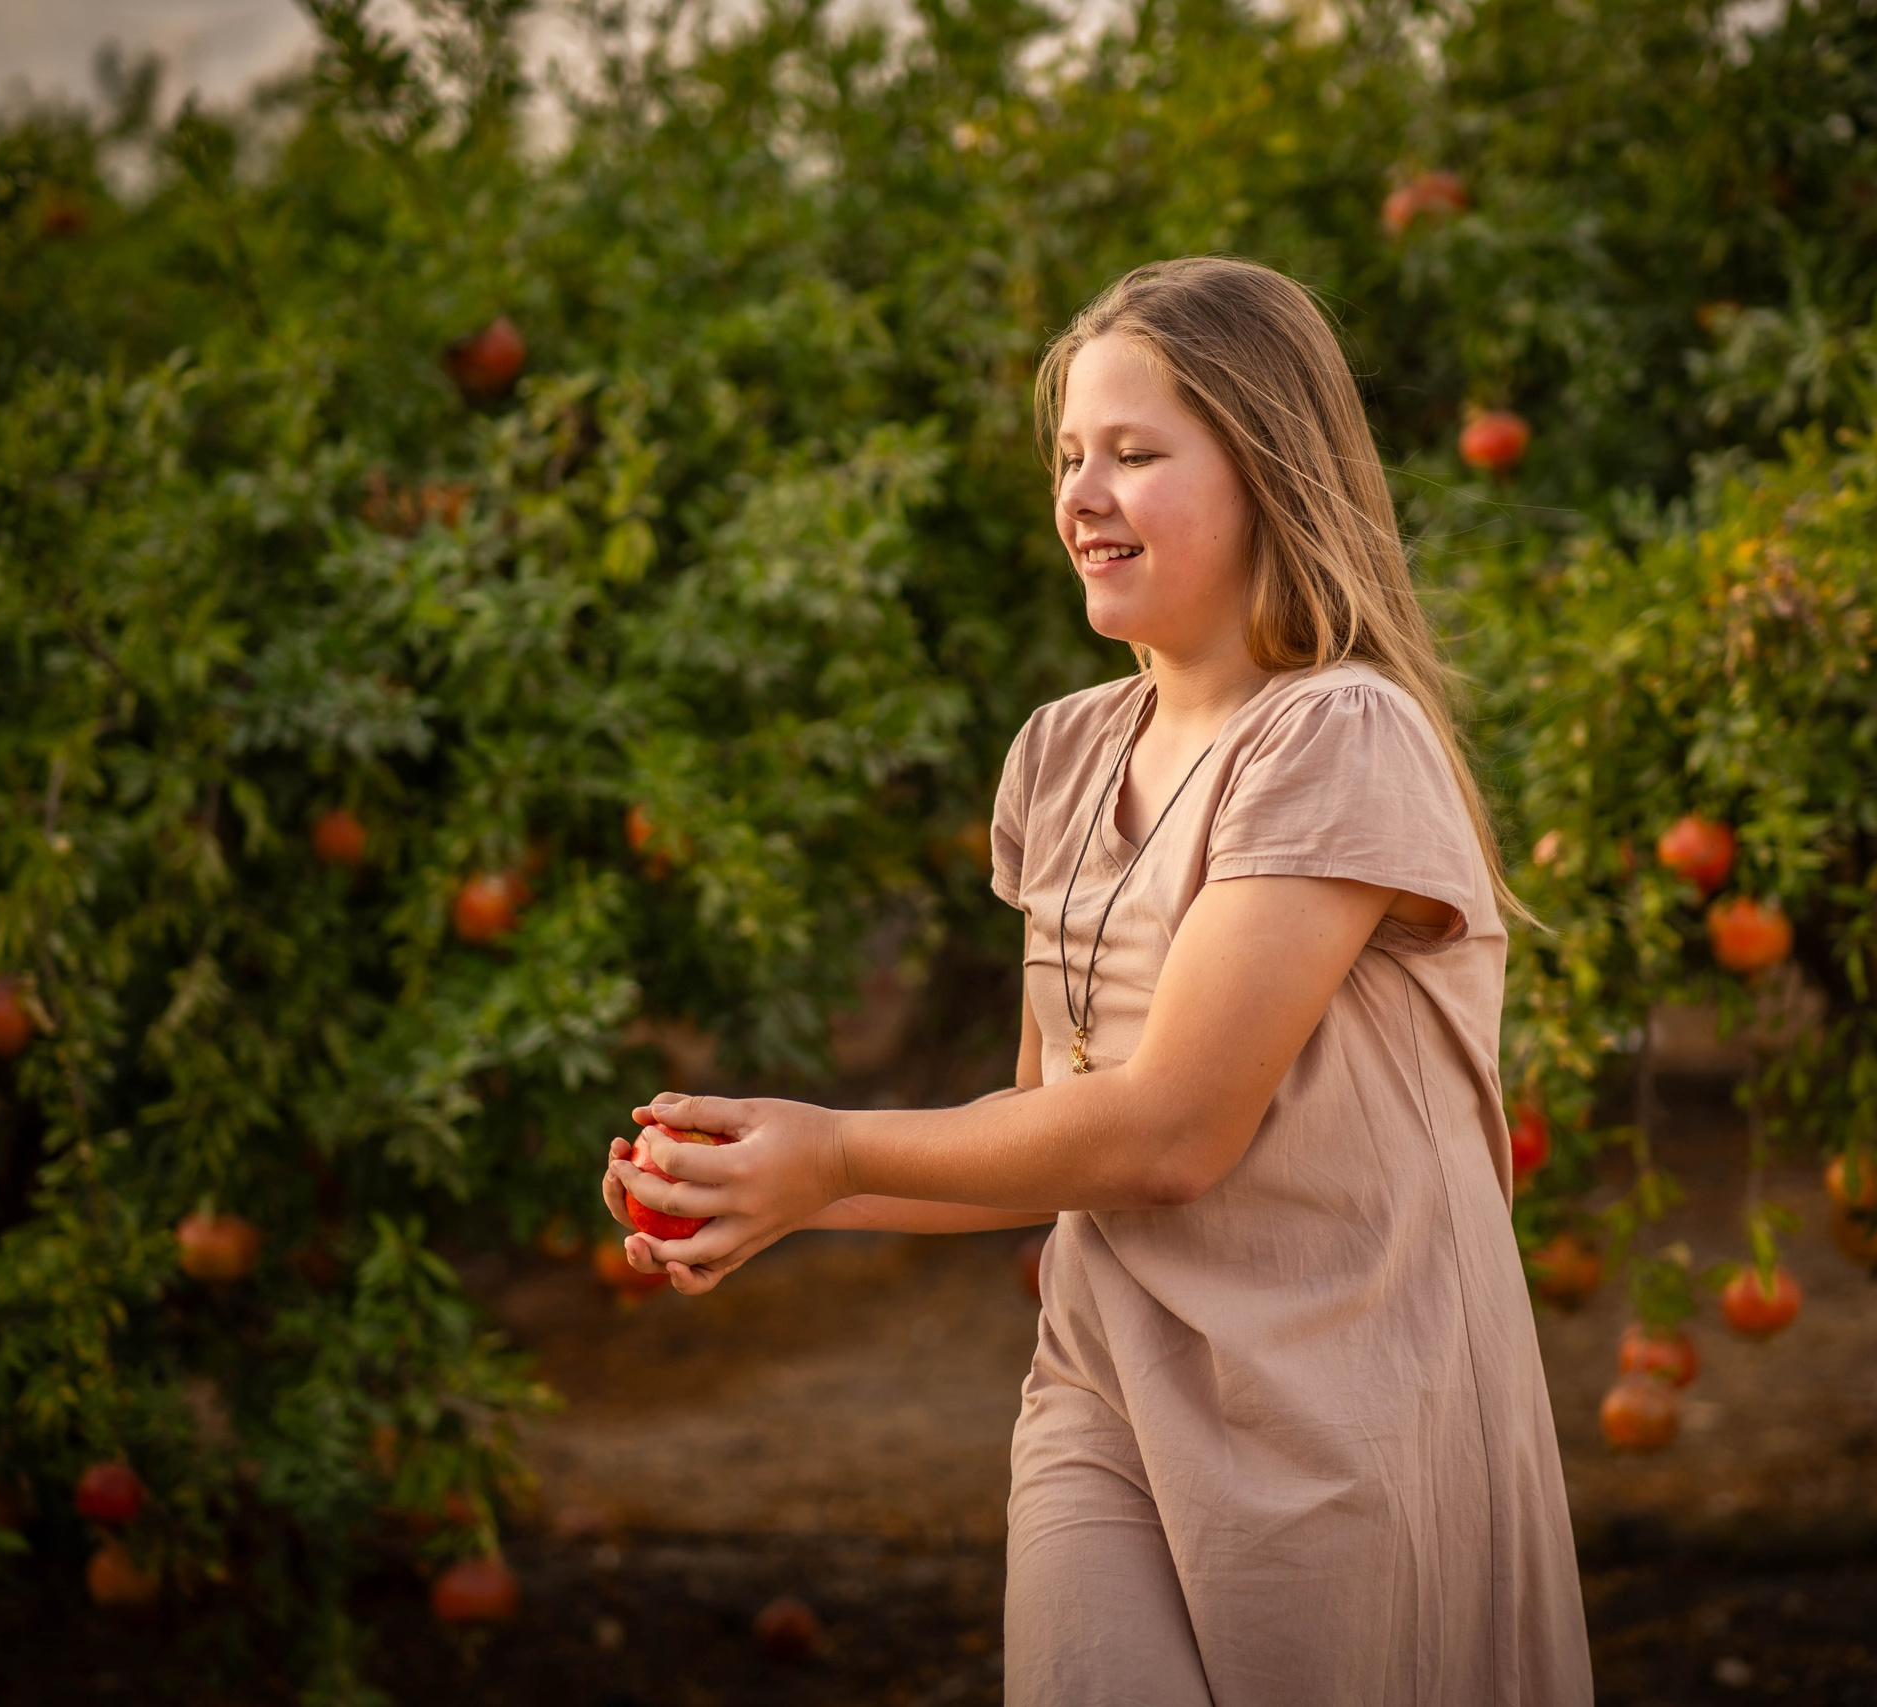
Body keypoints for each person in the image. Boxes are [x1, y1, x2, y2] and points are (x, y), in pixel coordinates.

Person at [602, 255, 1592, 1704]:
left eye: (1134, 453)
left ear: (1266, 469)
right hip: (1106, 1388)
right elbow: (1044, 1132)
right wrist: (776, 1190)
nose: (1081, 494)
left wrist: (835, 1152)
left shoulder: (1338, 734)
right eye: (1070, 455)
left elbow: (1172, 1133)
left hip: (1346, 1407)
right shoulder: (1061, 755)